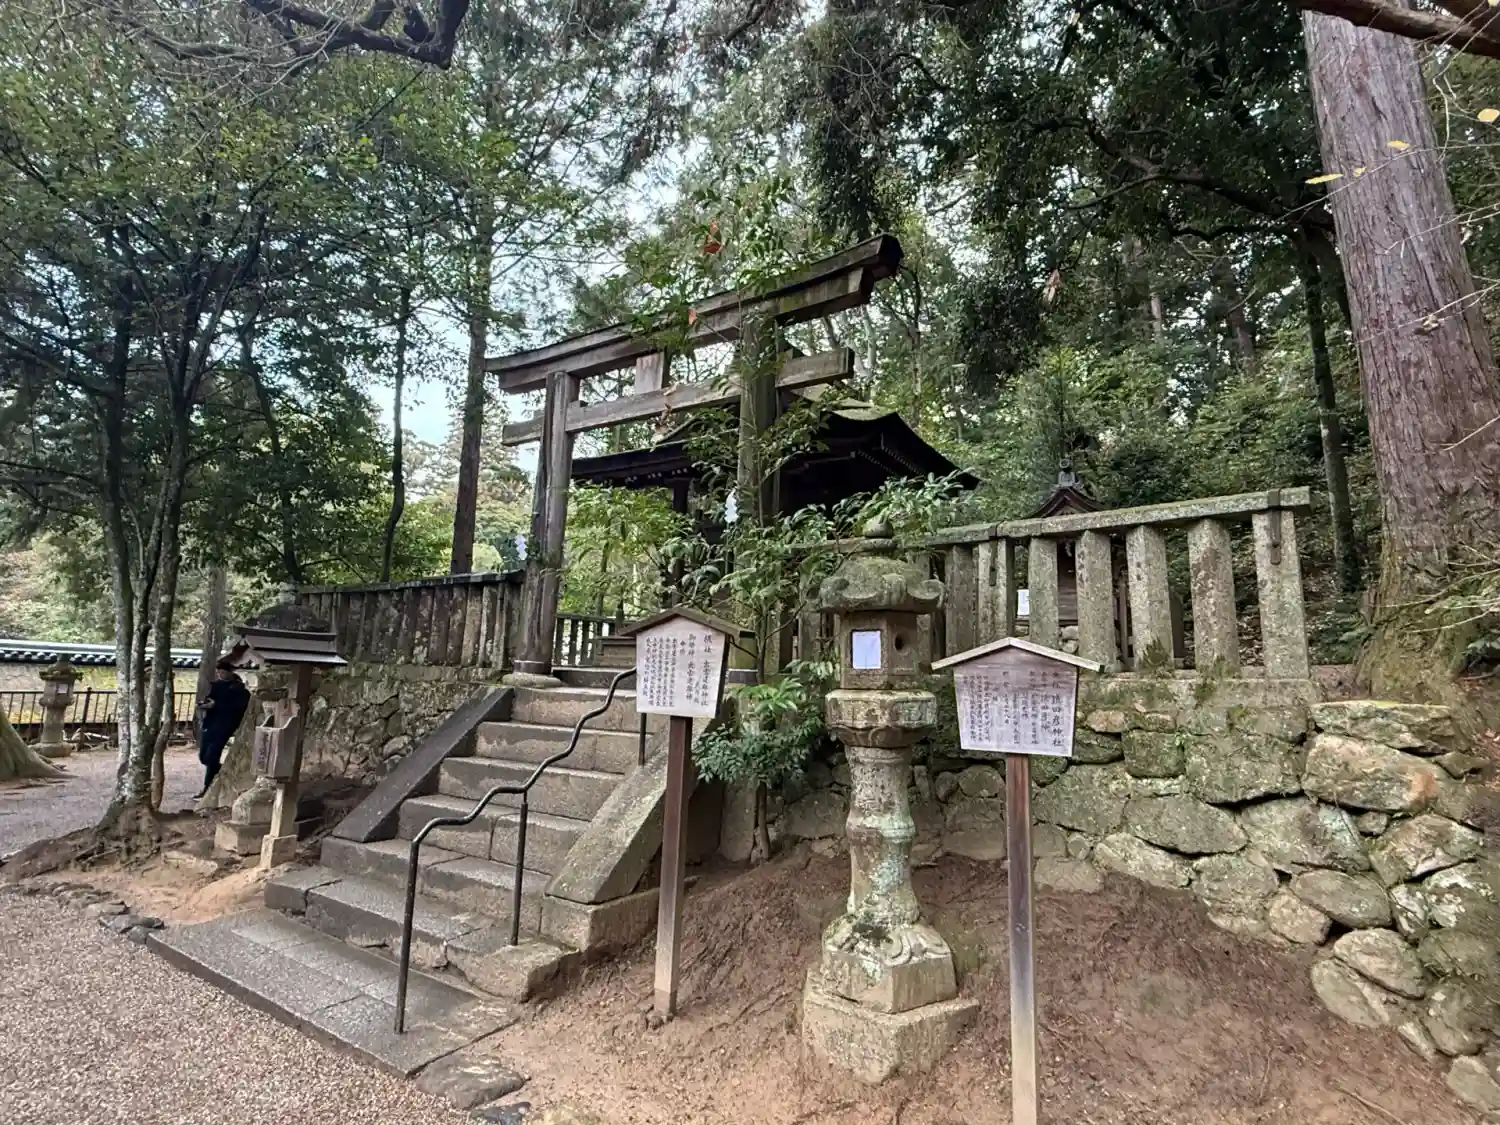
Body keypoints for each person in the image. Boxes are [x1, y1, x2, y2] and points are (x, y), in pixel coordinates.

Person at [196, 660, 251, 798]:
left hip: (225, 726)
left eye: (222, 672)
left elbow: (237, 708)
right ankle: (223, 772)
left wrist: (216, 705)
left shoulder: (239, 689)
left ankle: (208, 787)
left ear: (229, 672)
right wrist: (205, 705)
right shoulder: (215, 686)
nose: (220, 674)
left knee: (212, 757)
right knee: (204, 757)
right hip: (210, 723)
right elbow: (210, 700)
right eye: (218, 672)